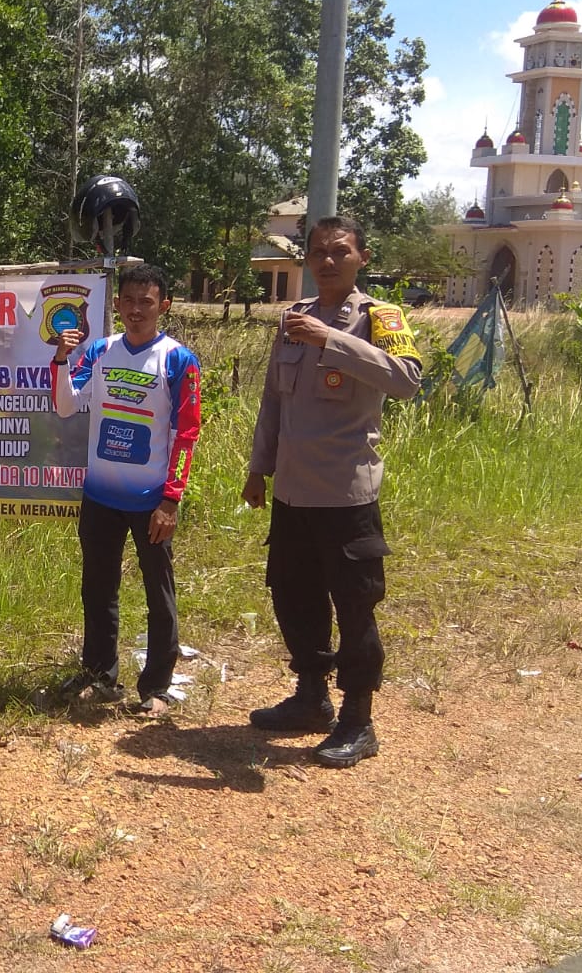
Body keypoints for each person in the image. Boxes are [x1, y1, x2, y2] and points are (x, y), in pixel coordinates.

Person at [241, 216, 422, 768]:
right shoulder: (292, 321)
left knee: (355, 606)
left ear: (361, 257)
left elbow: (408, 380)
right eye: (317, 252)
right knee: (294, 598)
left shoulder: (380, 318)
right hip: (294, 492)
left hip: (346, 496)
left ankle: (358, 720)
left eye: (339, 251)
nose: (326, 261)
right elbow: (274, 399)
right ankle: (311, 699)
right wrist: (258, 467)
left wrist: (335, 341)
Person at [49, 262, 202, 715]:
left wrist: (170, 500)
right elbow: (63, 407)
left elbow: (187, 433)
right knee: (97, 589)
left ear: (164, 306)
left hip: (151, 500)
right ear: (116, 304)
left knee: (159, 593)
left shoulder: (178, 359)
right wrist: (60, 360)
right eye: (129, 301)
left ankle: (156, 686)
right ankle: (100, 676)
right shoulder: (99, 351)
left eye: (146, 302)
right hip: (100, 497)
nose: (136, 311)